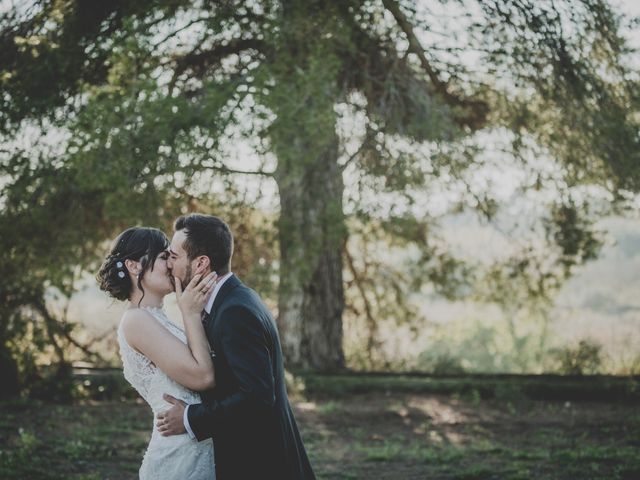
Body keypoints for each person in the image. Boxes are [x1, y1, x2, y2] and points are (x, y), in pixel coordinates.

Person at [156, 213, 316, 479]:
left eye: (174, 256)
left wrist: (189, 418)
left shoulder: (234, 312)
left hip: (262, 463)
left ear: (201, 264)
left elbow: (257, 397)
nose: (168, 264)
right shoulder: (232, 299)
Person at [97, 226, 219, 480]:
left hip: (196, 446)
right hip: (179, 458)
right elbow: (203, 377)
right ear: (133, 266)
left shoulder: (160, 319)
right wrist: (190, 312)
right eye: (164, 257)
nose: (171, 264)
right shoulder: (136, 321)